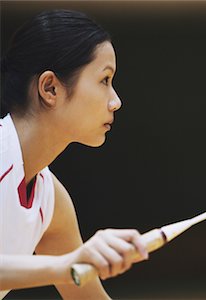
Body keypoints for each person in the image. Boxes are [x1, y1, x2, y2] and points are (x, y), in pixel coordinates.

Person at [0, 9, 148, 299]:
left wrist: (67, 265)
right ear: (50, 88)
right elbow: (68, 267)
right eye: (104, 80)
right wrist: (64, 264)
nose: (115, 102)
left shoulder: (51, 201)